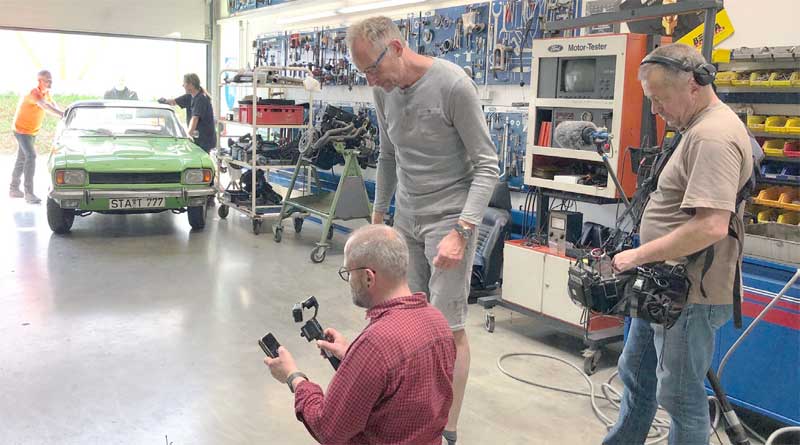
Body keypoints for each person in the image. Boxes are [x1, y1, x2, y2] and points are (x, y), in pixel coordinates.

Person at [345, 16, 499, 445]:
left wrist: (462, 231)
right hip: (406, 216)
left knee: (447, 327)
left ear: (396, 48)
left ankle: (445, 430)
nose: (371, 80)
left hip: (450, 217)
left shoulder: (453, 86)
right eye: (364, 73)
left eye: (373, 68)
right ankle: (411, 415)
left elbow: (488, 166)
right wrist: (378, 220)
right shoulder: (382, 90)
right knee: (403, 320)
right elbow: (388, 156)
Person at [604, 43, 753, 445]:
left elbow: (710, 226)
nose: (656, 111)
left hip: (691, 294)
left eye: (660, 98)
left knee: (681, 397)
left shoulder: (713, 137)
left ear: (693, 84)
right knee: (635, 372)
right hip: (663, 285)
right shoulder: (695, 128)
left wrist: (636, 255)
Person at [263, 224, 456, 445]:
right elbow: (404, 385)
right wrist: (352, 355)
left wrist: (293, 377)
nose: (348, 282)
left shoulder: (376, 345)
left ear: (368, 277)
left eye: (348, 273)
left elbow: (327, 428)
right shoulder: (438, 322)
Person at [9, 70, 64, 204]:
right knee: (31, 156)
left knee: (22, 158)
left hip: (31, 131)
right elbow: (45, 106)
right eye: (47, 80)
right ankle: (29, 193)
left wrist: (64, 112)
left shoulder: (46, 92)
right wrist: (61, 114)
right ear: (39, 81)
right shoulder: (34, 92)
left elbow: (52, 104)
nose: (50, 83)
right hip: (21, 130)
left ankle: (13, 188)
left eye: (51, 80)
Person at [159, 73, 216, 153]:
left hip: (204, 140)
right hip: (197, 138)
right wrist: (164, 101)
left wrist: (188, 135)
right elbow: (174, 102)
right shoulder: (190, 96)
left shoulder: (201, 99)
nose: (183, 85)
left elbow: (195, 118)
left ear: (191, 85)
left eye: (184, 83)